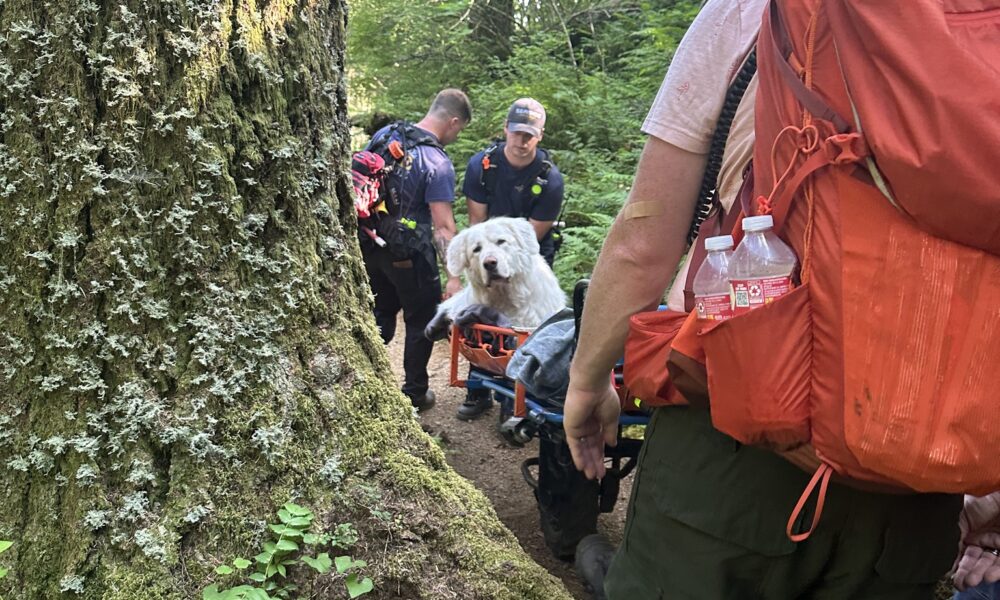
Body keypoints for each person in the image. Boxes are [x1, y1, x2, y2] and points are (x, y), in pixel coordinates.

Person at [562, 1, 995, 597]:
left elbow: (644, 241)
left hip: (739, 436)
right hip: (925, 471)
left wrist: (586, 382)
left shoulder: (751, 10)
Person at [453, 97, 565, 421]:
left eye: (529, 134)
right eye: (517, 133)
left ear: (540, 136)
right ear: (505, 130)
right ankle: (478, 389)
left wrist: (507, 266)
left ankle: (516, 400)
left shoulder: (550, 181)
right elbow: (478, 226)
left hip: (528, 258)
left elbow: (530, 240)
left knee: (526, 328)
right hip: (487, 251)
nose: (522, 140)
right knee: (480, 317)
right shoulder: (481, 167)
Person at [361, 89, 471, 412]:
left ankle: (364, 383)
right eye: (459, 129)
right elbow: (443, 228)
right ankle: (414, 394)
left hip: (370, 243)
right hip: (410, 256)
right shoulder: (437, 162)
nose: (456, 135)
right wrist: (454, 277)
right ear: (452, 121)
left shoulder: (385, 135)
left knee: (379, 314)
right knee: (421, 320)